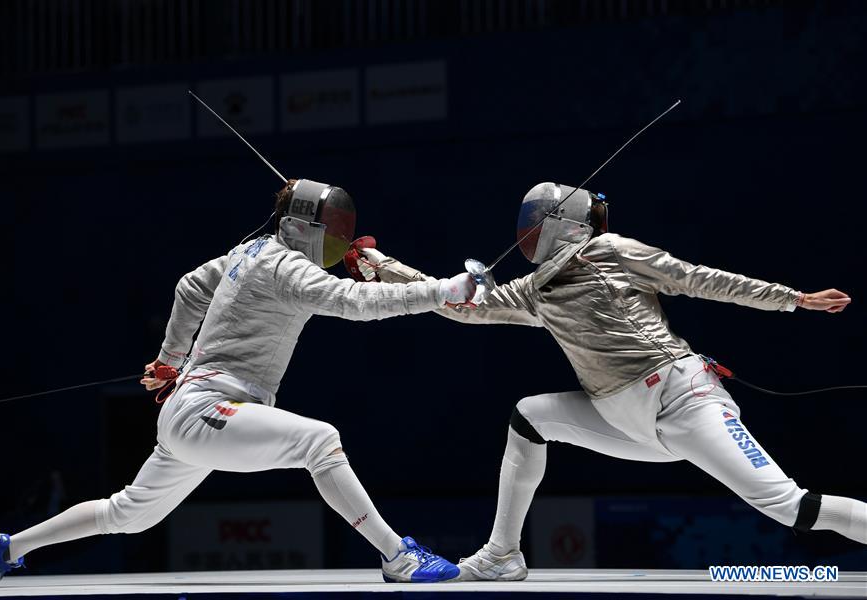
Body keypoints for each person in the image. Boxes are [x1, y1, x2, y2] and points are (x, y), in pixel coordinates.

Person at [0, 179, 477, 588]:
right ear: (301, 227)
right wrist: (441, 291)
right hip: (208, 410)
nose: (342, 242)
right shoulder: (286, 267)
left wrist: (170, 361)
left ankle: (6, 547)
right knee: (320, 441)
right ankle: (397, 557)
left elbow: (191, 286)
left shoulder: (251, 250)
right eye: (335, 233)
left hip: (196, 411)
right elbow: (354, 302)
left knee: (128, 513)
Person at [353, 181, 863, 581]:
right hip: (623, 418)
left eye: (535, 222)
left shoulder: (613, 250)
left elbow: (697, 278)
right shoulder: (535, 289)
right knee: (530, 417)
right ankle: (501, 555)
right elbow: (460, 305)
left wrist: (793, 298)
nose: (527, 232)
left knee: (793, 508)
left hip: (684, 401)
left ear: (557, 224)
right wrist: (386, 267)